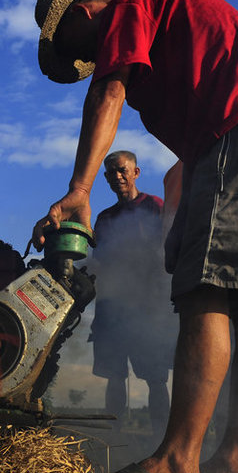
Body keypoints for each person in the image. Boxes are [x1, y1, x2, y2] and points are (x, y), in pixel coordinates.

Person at [31, 0, 238, 473]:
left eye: (76, 46)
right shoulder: (171, 23)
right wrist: (183, 220)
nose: (87, 61)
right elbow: (191, 153)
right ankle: (234, 467)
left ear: (82, 12)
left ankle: (177, 464)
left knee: (204, 292)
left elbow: (107, 93)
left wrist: (79, 189)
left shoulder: (132, 2)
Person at [89, 150, 175, 438]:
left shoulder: (154, 206)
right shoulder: (104, 218)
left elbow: (169, 250)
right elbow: (99, 263)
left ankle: (160, 438)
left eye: (122, 170)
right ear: (106, 178)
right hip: (112, 307)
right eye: (111, 172)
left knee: (156, 377)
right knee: (114, 377)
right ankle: (112, 439)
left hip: (149, 307)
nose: (117, 176)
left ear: (136, 172)